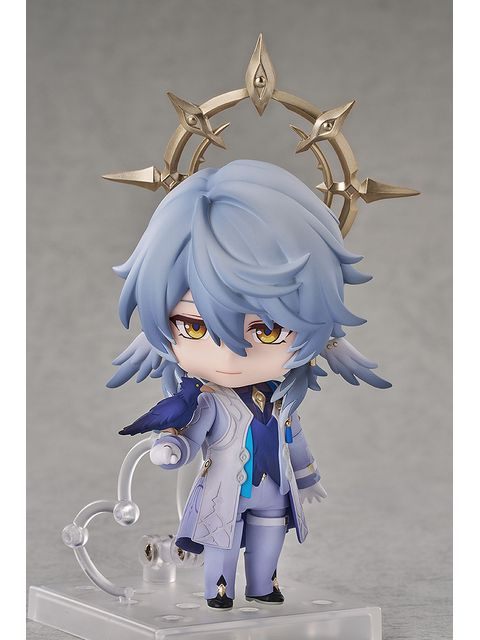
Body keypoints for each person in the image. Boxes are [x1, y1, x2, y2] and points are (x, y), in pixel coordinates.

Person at [108, 159, 390, 609]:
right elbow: (190, 437)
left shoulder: (281, 402)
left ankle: (263, 584)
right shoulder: (209, 402)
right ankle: (219, 590)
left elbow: (294, 440)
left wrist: (307, 478)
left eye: (268, 330)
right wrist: (170, 447)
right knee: (223, 540)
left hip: (275, 493)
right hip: (225, 492)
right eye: (194, 327)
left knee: (268, 539)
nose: (230, 356)